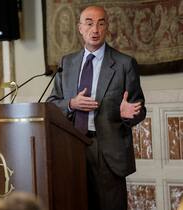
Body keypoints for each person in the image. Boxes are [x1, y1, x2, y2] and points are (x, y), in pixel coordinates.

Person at [46, 5, 146, 210]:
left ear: (107, 28)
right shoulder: (67, 62)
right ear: (80, 28)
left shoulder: (124, 64)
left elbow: (139, 109)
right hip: (72, 147)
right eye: (89, 24)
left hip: (107, 150)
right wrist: (71, 104)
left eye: (101, 23)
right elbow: (52, 103)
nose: (95, 29)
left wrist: (128, 114)